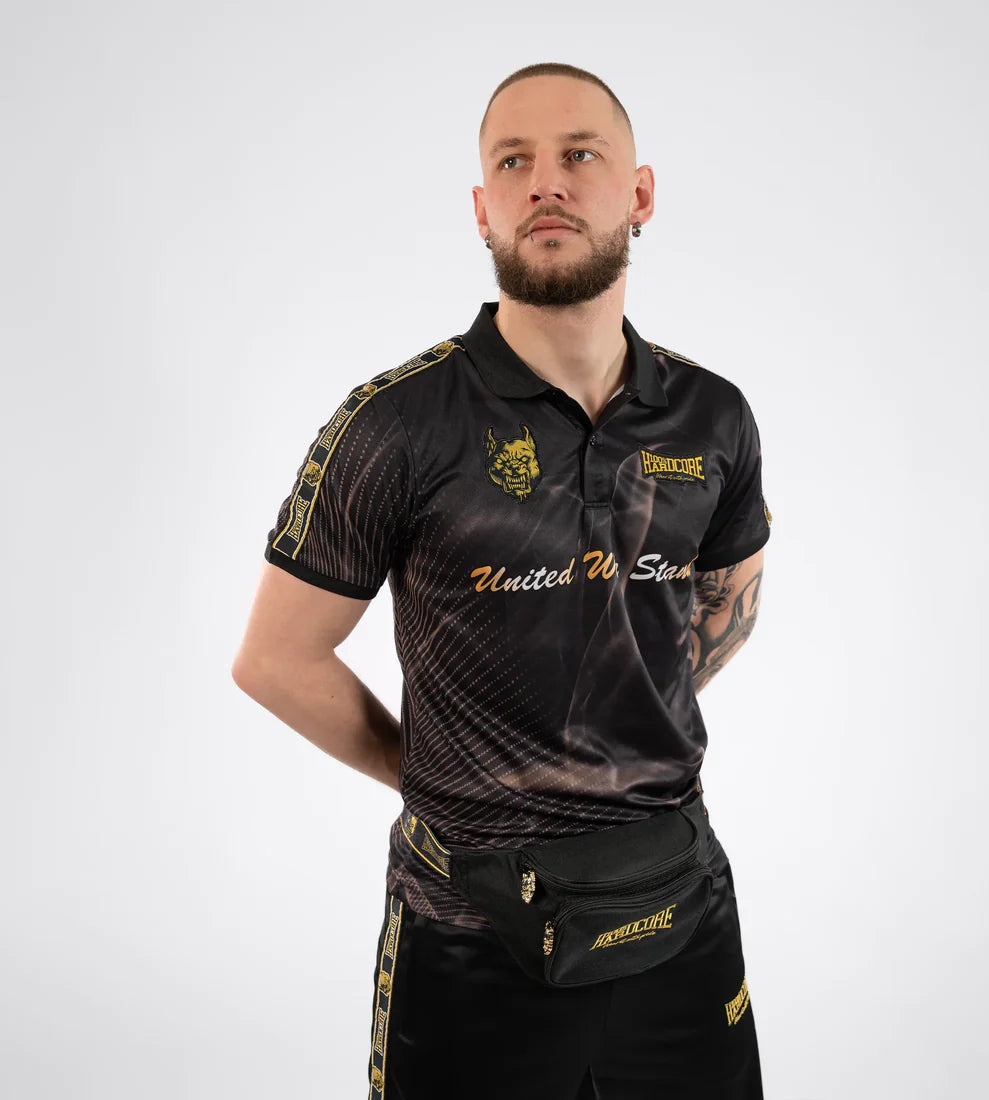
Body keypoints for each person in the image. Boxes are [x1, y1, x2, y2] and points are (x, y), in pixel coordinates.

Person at [232, 60, 772, 1100]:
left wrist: (607, 715)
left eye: (579, 154)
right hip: (466, 933)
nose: (545, 183)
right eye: (513, 162)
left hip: (678, 914)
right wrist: (438, 771)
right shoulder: (395, 426)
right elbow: (275, 659)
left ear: (639, 193)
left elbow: (728, 606)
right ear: (483, 209)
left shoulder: (713, 416)